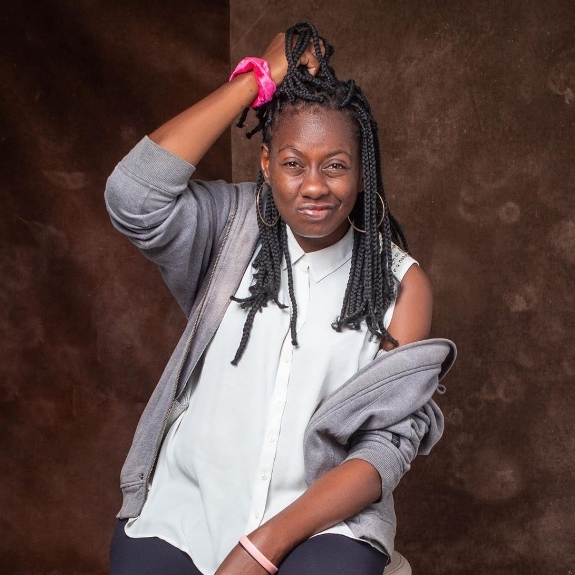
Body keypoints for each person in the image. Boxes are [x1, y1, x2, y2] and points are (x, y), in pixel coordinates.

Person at [105, 22, 456, 575]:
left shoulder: (399, 284)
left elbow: (383, 448)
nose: (314, 185)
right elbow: (133, 195)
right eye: (293, 163)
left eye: (335, 165)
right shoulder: (230, 229)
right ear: (267, 163)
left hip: (320, 524)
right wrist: (256, 79)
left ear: (362, 171)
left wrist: (264, 546)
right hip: (185, 509)